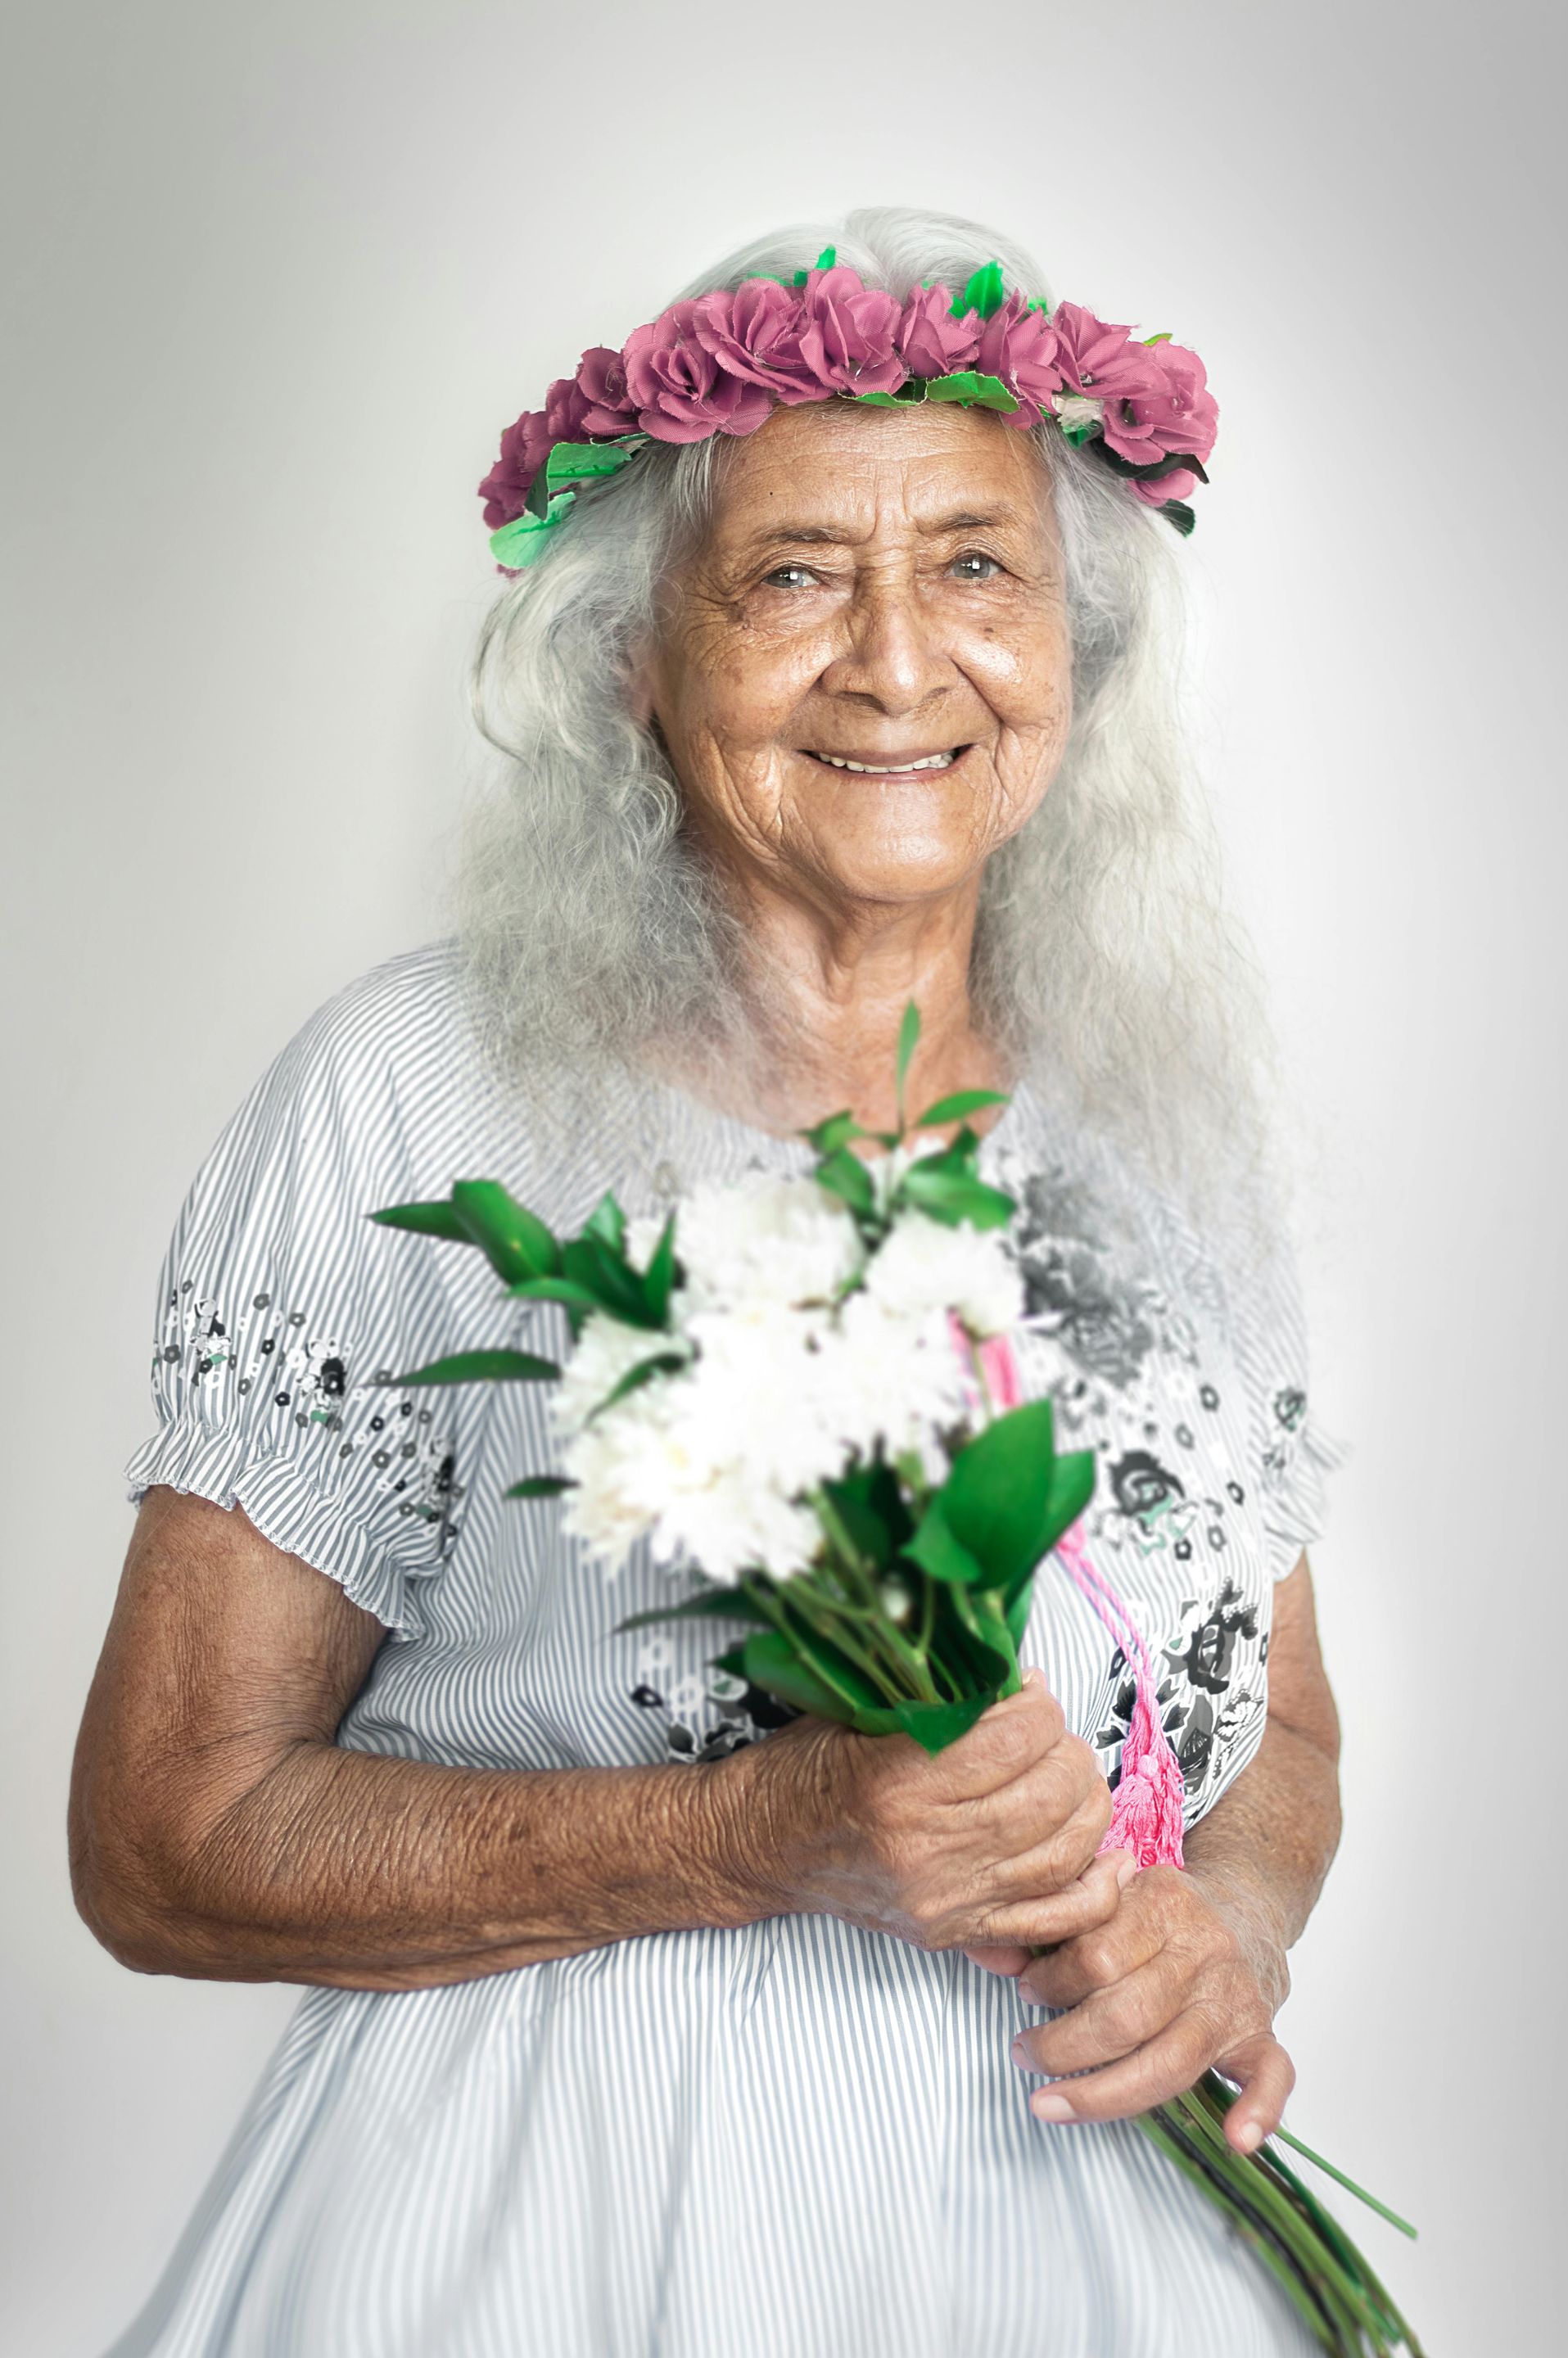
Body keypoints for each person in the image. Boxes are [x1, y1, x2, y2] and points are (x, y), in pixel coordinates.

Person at [72, 207, 1345, 2357]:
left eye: (976, 564)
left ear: (1076, 647)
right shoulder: (419, 1094)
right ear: (633, 667)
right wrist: (749, 1833)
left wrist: (1224, 1928)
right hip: (544, 2226)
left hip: (1094, 2229)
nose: (897, 665)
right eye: (791, 577)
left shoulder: (1164, 1111)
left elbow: (1281, 1723)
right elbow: (167, 1839)